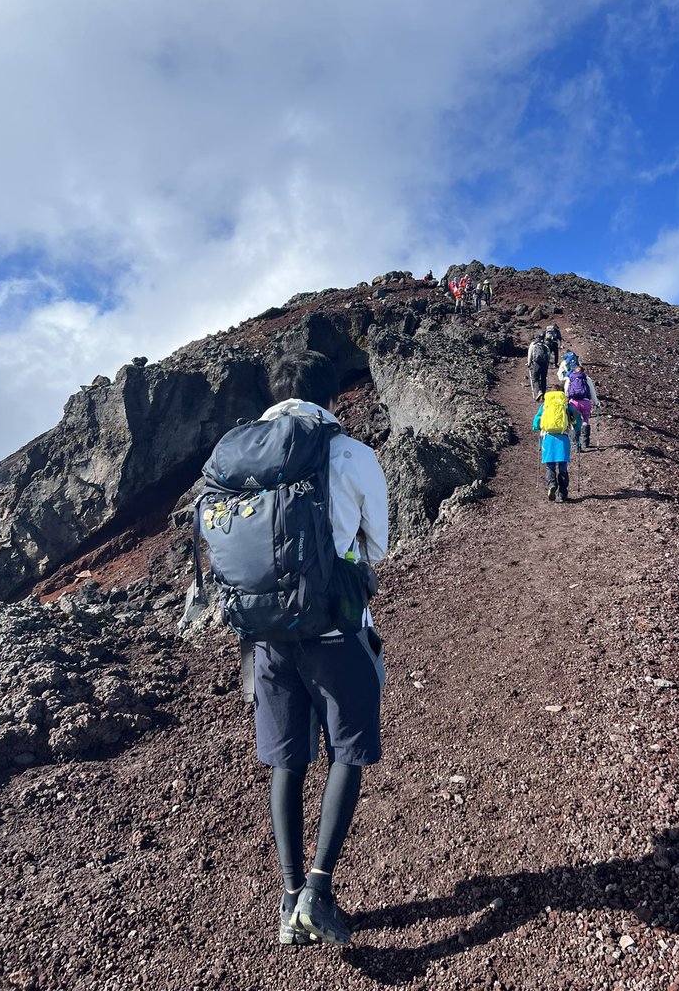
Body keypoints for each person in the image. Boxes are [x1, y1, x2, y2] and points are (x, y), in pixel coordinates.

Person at [254, 351, 389, 947]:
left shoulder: (242, 457)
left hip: (264, 636)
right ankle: (318, 889)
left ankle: (287, 899)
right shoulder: (352, 453)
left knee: (286, 761)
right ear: (330, 397)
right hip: (335, 628)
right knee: (348, 751)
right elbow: (378, 546)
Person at [533, 388, 579, 502]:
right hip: (563, 437)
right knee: (563, 466)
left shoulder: (545, 405)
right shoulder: (566, 405)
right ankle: (563, 493)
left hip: (548, 437)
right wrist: (577, 430)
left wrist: (537, 427)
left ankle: (551, 485)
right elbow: (577, 419)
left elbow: (537, 421)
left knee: (550, 465)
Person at [563, 362, 600, 450]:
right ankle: (585, 441)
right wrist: (596, 402)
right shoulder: (587, 378)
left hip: (573, 402)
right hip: (586, 402)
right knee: (585, 421)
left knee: (575, 423)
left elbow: (566, 392)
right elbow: (592, 392)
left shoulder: (570, 378)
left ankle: (577, 445)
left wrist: (565, 403)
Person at [526, 335, 550, 401]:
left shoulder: (533, 345)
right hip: (544, 364)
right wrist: (548, 363)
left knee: (535, 378)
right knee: (543, 379)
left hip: (536, 364)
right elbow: (548, 354)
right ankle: (544, 395)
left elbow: (530, 354)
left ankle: (539, 391)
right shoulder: (545, 345)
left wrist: (529, 363)